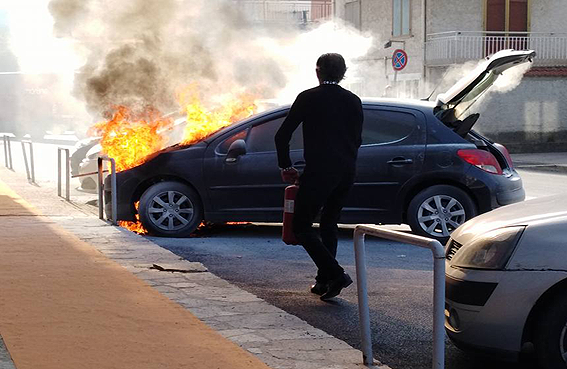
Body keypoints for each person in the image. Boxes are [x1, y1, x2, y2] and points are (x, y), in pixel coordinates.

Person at [274, 53, 363, 301]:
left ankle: (335, 274)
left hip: (319, 171)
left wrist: (286, 165)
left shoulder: (308, 98)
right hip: (347, 171)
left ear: (318, 71)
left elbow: (282, 135)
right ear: (344, 72)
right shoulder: (353, 100)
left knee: (301, 226)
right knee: (329, 223)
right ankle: (324, 281)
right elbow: (357, 140)